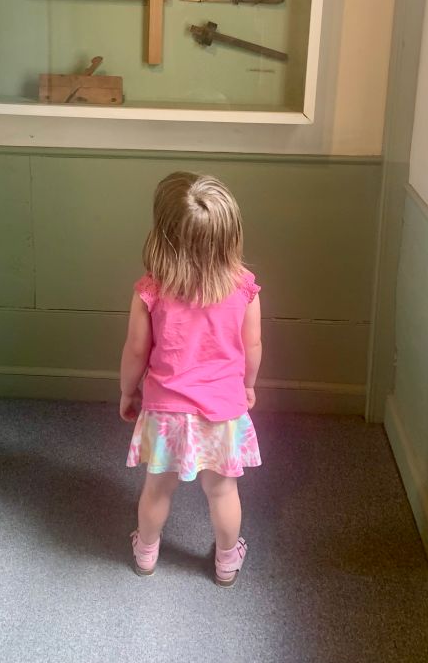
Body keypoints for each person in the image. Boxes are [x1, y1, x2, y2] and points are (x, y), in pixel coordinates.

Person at [119, 171, 263, 586]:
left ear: (162, 235)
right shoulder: (244, 289)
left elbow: (135, 351)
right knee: (222, 492)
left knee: (157, 489)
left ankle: (146, 552)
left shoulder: (151, 290)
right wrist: (248, 385)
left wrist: (128, 392)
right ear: (230, 235)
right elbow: (252, 349)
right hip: (222, 411)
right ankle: (226, 561)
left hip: (166, 410)